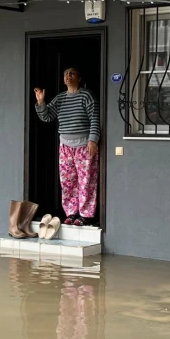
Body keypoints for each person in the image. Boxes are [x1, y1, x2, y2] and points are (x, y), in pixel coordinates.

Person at [34, 67, 100, 226]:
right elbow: (47, 117)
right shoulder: (60, 98)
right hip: (65, 146)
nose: (68, 76)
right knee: (68, 181)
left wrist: (93, 140)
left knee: (86, 181)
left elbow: (95, 118)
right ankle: (71, 213)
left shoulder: (86, 95)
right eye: (65, 74)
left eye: (72, 73)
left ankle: (86, 215)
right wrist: (41, 102)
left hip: (84, 145)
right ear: (63, 80)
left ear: (79, 78)